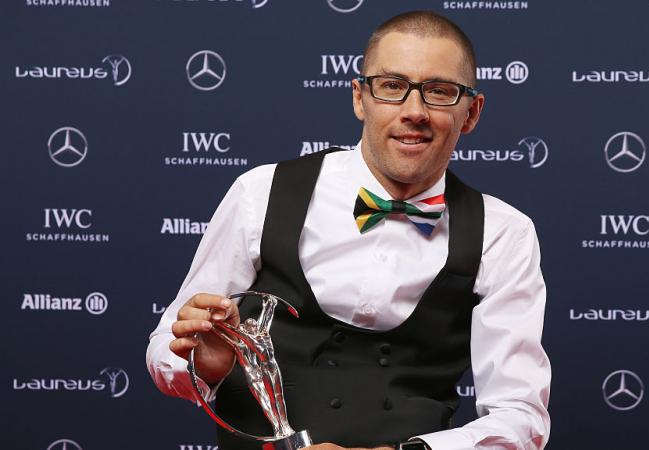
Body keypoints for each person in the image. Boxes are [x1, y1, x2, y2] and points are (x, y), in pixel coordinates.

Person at [147, 10, 550, 450]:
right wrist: (207, 368)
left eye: (439, 92)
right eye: (392, 86)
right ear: (361, 98)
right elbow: (166, 348)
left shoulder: (504, 234)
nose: (414, 112)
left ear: (471, 112)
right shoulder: (260, 192)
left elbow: (520, 415)